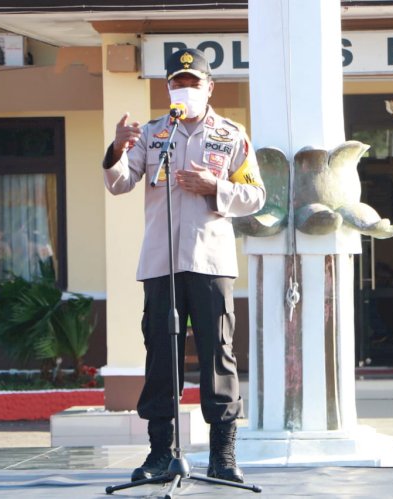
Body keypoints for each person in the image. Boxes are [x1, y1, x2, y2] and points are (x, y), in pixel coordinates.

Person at [102, 48, 265, 484]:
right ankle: (161, 453)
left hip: (211, 262)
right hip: (160, 263)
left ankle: (223, 455)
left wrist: (217, 187)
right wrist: (117, 148)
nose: (186, 89)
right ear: (167, 88)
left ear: (210, 87)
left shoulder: (231, 135)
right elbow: (120, 183)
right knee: (161, 357)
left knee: (218, 357)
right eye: (178, 82)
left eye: (194, 82)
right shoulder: (153, 133)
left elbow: (256, 196)